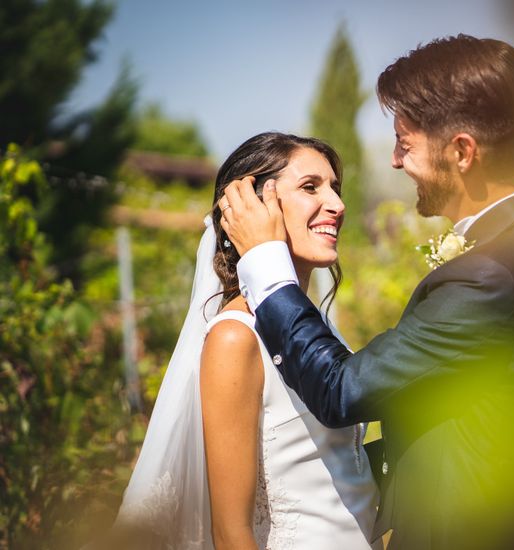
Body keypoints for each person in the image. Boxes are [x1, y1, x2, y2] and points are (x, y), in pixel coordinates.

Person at [220, 35, 514, 550]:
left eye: (405, 143)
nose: (397, 161)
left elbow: (341, 390)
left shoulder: (489, 275)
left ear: (462, 151)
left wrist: (265, 261)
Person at [110, 133, 379, 549]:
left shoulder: (315, 326)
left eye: (335, 188)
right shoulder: (236, 338)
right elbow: (231, 532)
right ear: (252, 208)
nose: (338, 205)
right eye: (311, 187)